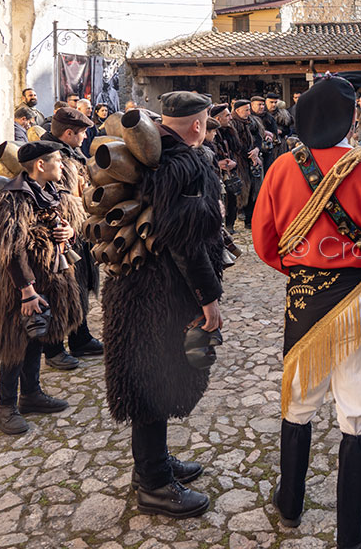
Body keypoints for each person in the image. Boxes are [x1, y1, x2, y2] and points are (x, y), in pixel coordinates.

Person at [252, 71, 361, 549]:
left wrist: (301, 270)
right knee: (356, 411)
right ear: (351, 120)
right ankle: (351, 529)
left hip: (305, 298)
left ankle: (290, 504)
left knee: (298, 402)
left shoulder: (281, 168)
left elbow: (264, 240)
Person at [101, 91, 224, 518]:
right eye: (206, 121)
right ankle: (154, 484)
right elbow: (188, 243)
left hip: (131, 288)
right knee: (153, 381)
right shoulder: (185, 163)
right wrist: (208, 298)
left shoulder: (148, 157)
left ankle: (152, 463)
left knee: (148, 376)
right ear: (197, 125)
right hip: (161, 294)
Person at [0, 141, 84, 435]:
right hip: (21, 287)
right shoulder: (14, 199)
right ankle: (5, 408)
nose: (61, 165)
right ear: (40, 164)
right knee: (15, 342)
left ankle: (31, 394)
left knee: (36, 335)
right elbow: (11, 249)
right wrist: (27, 291)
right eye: (57, 161)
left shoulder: (51, 192)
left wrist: (69, 232)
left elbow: (67, 227)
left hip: (49, 279)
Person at [42, 108, 104, 367]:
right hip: (56, 237)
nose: (85, 136)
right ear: (68, 133)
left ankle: (80, 338)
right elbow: (50, 199)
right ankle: (53, 348)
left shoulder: (72, 154)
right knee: (57, 292)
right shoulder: (48, 157)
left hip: (77, 232)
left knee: (79, 286)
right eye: (82, 132)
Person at [229, 99, 264, 229]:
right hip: (239, 160)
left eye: (249, 109)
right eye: (246, 110)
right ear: (238, 110)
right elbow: (235, 144)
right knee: (240, 190)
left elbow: (258, 137)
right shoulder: (232, 124)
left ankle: (250, 220)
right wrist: (250, 155)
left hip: (253, 159)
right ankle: (232, 220)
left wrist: (256, 150)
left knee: (254, 189)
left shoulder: (252, 122)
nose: (249, 112)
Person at [211, 104, 245, 231]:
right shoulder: (210, 132)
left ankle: (230, 224)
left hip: (231, 171)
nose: (230, 118)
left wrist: (234, 162)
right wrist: (217, 163)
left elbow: (237, 150)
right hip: (216, 172)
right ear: (218, 119)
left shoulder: (230, 132)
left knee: (232, 198)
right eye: (227, 115)